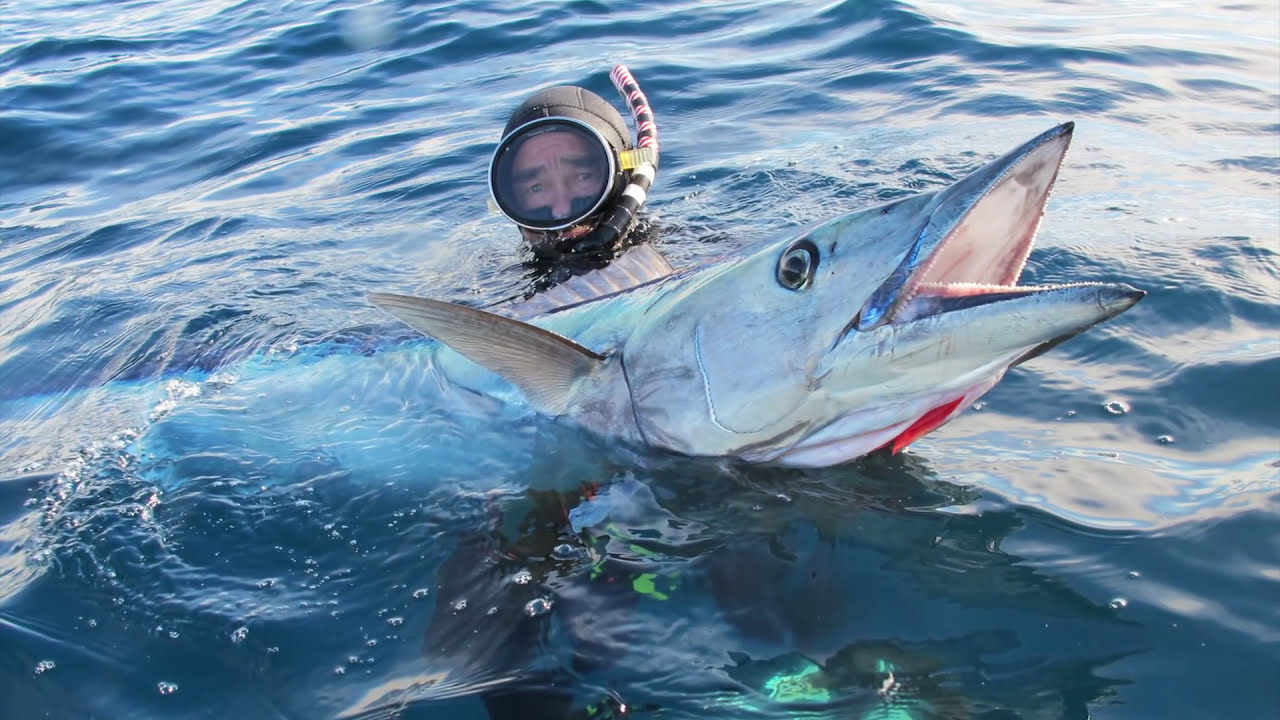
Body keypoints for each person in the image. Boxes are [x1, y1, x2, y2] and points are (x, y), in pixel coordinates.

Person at [486, 66, 662, 290]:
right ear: (511, 202)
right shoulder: (490, 288)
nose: (561, 211)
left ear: (623, 180)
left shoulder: (684, 254)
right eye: (537, 188)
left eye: (582, 176)